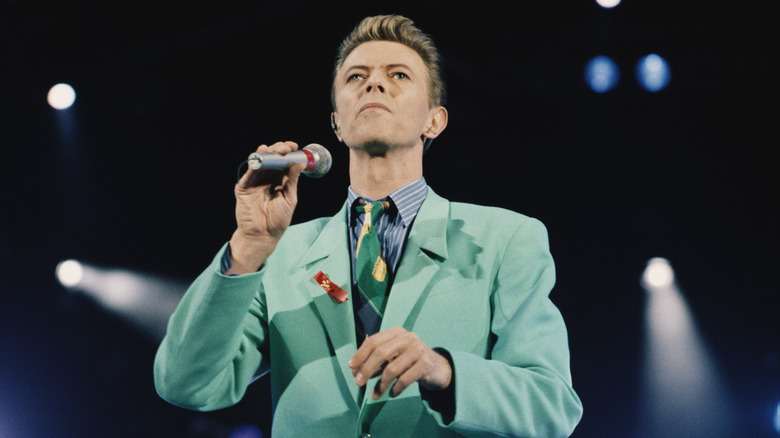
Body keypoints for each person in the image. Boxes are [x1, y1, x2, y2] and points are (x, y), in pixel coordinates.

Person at [154, 14, 583, 437]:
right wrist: (248, 245)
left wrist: (445, 370)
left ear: (434, 120)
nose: (374, 84)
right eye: (356, 77)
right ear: (337, 123)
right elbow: (186, 384)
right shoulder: (279, 253)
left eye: (398, 75)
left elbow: (552, 406)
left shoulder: (507, 238)